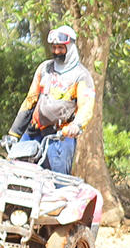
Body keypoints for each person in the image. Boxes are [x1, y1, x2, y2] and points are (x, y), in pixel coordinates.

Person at [3, 27, 95, 175]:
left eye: (61, 48)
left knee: (58, 180)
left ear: (70, 47)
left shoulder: (81, 75)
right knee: (15, 172)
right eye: (54, 47)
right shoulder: (45, 68)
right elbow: (31, 100)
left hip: (60, 136)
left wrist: (76, 125)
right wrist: (15, 133)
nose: (57, 51)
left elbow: (86, 105)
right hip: (34, 131)